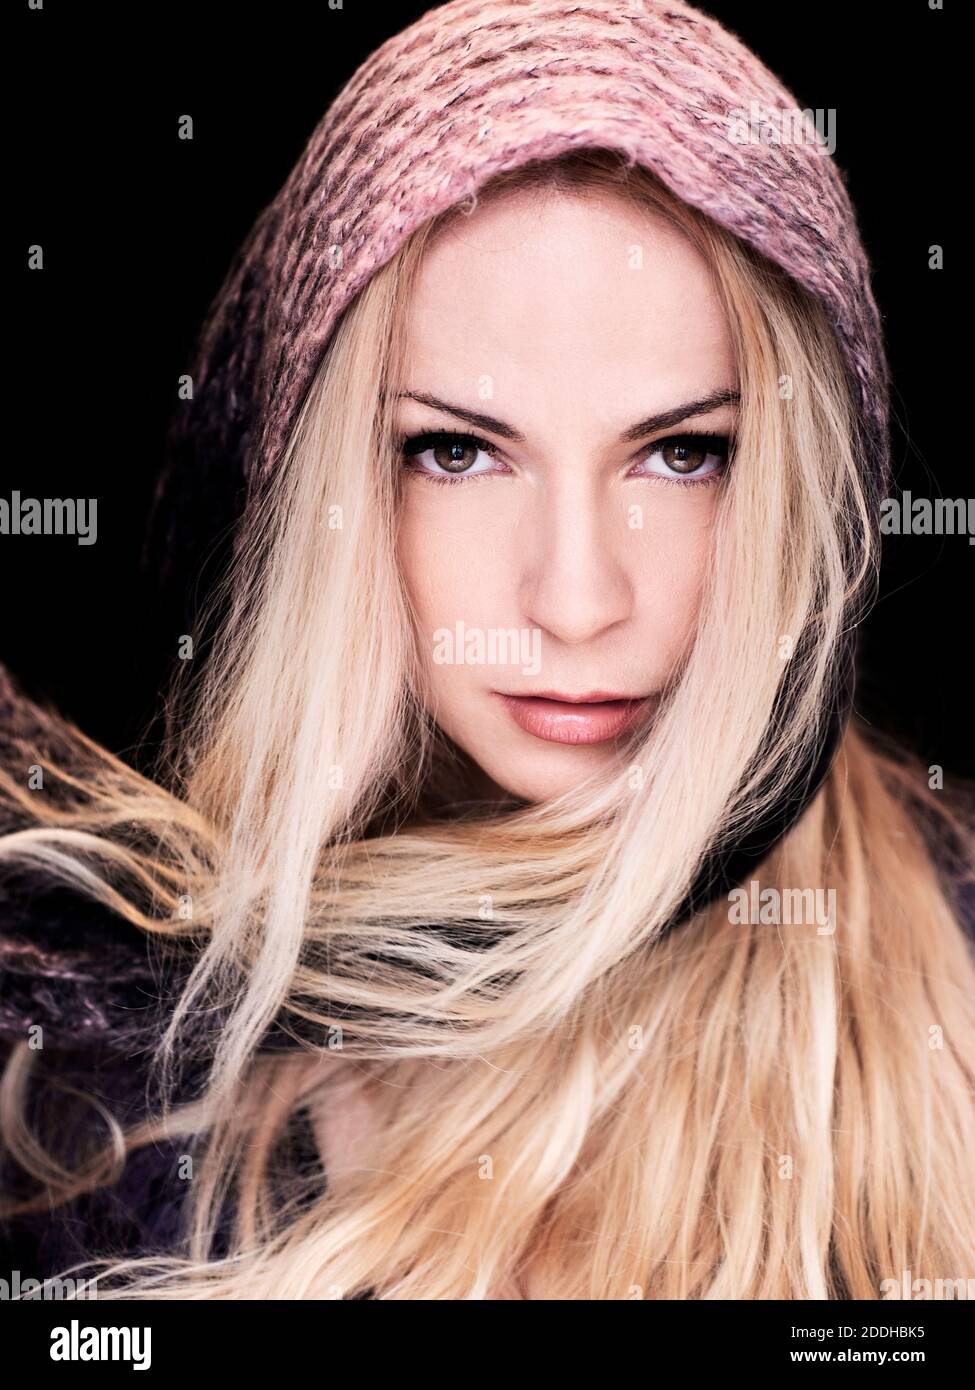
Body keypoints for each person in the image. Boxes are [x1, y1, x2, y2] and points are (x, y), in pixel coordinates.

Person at [1, 0, 973, 1300]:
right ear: (324, 489)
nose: (576, 600)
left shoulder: (957, 980)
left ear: (801, 483)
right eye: (456, 450)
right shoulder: (101, 1078)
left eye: (684, 452)